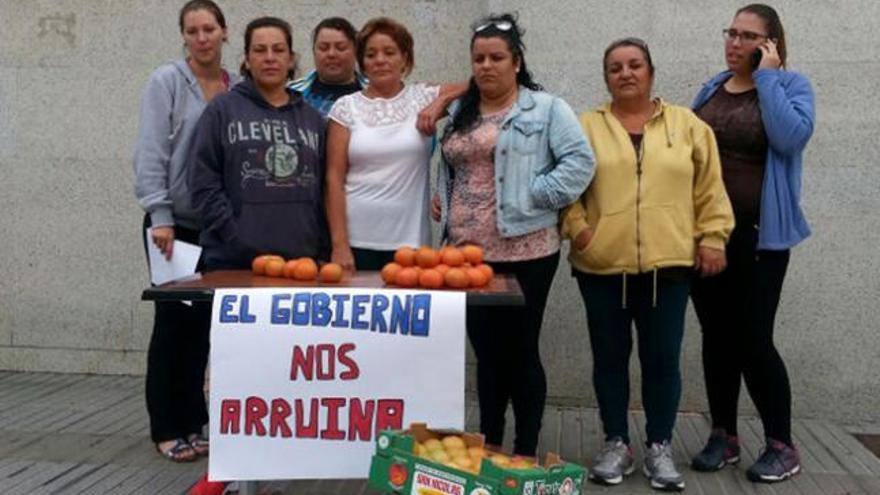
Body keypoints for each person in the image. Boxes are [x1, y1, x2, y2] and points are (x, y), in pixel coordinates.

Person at [561, 38, 734, 491]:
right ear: (606, 77)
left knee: (662, 360)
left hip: (669, 267)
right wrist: (580, 230)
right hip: (601, 267)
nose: (625, 73)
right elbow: (565, 189)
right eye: (615, 67)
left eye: (635, 65)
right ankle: (616, 443)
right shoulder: (584, 127)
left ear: (651, 72)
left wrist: (713, 237)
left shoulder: (688, 126)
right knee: (610, 359)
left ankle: (659, 446)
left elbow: (710, 190)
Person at [436, 14, 594, 460]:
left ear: (517, 62)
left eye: (497, 58)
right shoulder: (460, 112)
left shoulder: (545, 109)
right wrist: (442, 202)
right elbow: (452, 164)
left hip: (526, 249)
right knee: (486, 355)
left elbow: (580, 163)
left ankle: (525, 447)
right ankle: (490, 443)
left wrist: (536, 194)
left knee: (521, 350)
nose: (487, 66)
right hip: (464, 256)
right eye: (479, 58)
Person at [689, 3, 815, 483]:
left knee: (753, 339)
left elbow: (789, 138)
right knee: (716, 337)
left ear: (770, 44)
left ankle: (781, 444)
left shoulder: (792, 87)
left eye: (747, 36)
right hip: (707, 236)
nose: (734, 43)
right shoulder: (711, 87)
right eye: (731, 33)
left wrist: (769, 78)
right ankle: (724, 435)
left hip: (760, 236)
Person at [133, 0, 232, 462]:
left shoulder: (235, 85)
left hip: (215, 228)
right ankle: (167, 426)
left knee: (202, 330)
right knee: (172, 327)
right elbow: (152, 151)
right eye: (192, 31)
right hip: (173, 228)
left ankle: (195, 421)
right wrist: (161, 215)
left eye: (209, 28)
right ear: (184, 37)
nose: (202, 37)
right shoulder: (167, 81)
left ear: (224, 33)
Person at [325, 17, 466, 271]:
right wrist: (339, 245)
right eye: (371, 54)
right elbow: (333, 179)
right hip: (357, 241)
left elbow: (479, 84)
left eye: (389, 52)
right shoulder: (345, 108)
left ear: (405, 58)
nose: (380, 60)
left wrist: (439, 101)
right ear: (362, 62)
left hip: (411, 242)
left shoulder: (422, 97)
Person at [189, 16, 328, 269]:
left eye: (278, 49)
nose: (270, 57)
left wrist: (320, 246)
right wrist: (233, 234)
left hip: (299, 263)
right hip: (233, 262)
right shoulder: (221, 111)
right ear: (247, 59)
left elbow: (325, 191)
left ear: (291, 59)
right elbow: (202, 181)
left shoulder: (313, 120)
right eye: (259, 50)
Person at [288, 17, 368, 117]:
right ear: (314, 52)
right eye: (323, 48)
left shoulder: (377, 94)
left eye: (340, 48)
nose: (331, 54)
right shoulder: (289, 94)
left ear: (355, 51)